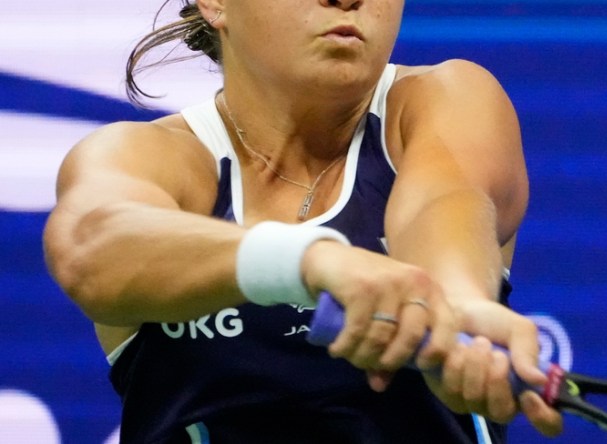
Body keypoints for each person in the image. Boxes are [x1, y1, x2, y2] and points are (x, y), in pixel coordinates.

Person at [43, 0, 562, 442]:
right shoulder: (143, 154)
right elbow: (90, 246)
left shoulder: (450, 99)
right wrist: (306, 259)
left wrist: (458, 308)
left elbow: (443, 205)